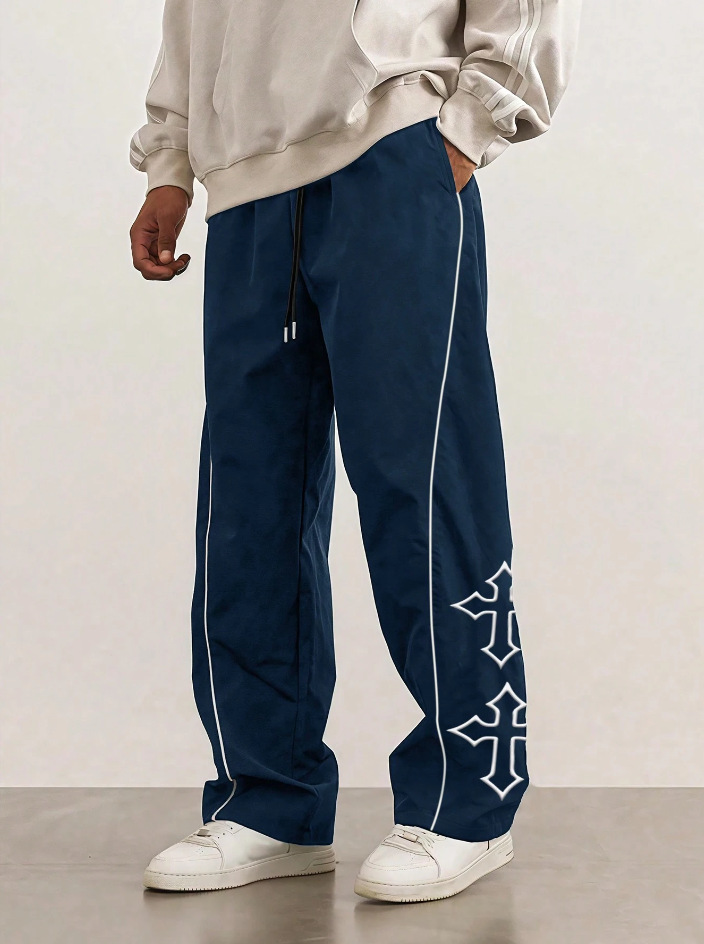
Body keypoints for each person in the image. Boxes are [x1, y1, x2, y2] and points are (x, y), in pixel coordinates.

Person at [130, 0, 580, 903]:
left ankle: (466, 805)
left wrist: (471, 124)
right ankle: (270, 801)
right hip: (245, 184)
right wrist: (171, 164)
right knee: (248, 503)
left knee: (424, 485)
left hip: (392, 149)